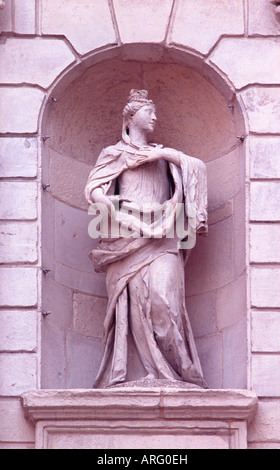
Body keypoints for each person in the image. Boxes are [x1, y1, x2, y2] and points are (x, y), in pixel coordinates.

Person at [85, 89, 208, 388]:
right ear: (130, 117)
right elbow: (93, 190)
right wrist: (115, 211)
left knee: (163, 302)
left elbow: (198, 169)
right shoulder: (113, 154)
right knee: (130, 308)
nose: (155, 117)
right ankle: (138, 373)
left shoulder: (166, 157)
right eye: (148, 112)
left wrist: (163, 154)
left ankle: (179, 374)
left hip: (163, 236)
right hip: (125, 240)